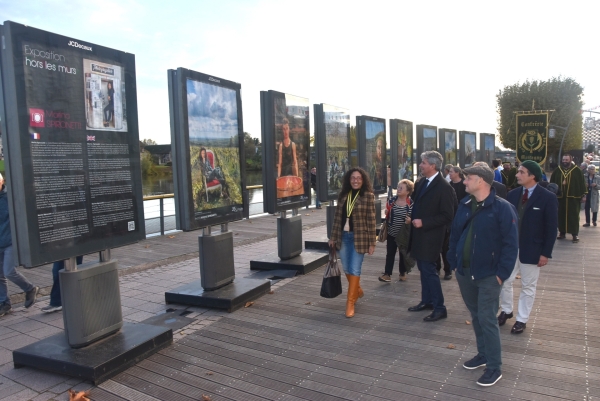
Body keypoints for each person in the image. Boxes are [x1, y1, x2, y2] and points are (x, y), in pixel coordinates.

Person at [447, 165, 518, 387]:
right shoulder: (465, 204)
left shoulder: (503, 208)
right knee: (476, 315)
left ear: (481, 181)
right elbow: (455, 234)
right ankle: (483, 354)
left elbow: (511, 245)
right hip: (465, 272)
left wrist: (501, 275)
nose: (464, 181)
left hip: (489, 275)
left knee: (487, 318)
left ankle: (494, 366)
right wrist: (454, 263)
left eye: (468, 178)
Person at [498, 161, 558, 334]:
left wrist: (545, 253)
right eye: (518, 172)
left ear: (532, 175)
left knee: (528, 286)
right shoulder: (513, 194)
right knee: (504, 280)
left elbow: (551, 228)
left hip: (532, 250)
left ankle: (522, 319)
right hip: (510, 248)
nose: (517, 175)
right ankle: (507, 311)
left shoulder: (547, 197)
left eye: (521, 172)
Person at [407, 151, 456, 322]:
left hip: (432, 236)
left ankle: (440, 307)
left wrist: (424, 222)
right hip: (419, 235)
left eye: (423, 163)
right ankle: (427, 301)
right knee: (423, 269)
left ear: (433, 166)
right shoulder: (421, 183)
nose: (420, 165)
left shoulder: (444, 188)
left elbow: (448, 215)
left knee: (429, 271)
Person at [329, 168, 376, 318]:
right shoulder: (343, 196)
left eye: (359, 178)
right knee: (346, 268)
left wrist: (372, 243)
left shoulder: (368, 196)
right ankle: (357, 289)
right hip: (343, 236)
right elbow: (337, 218)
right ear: (349, 180)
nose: (356, 180)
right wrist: (332, 237)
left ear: (363, 180)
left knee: (355, 269)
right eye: (353, 178)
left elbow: (371, 220)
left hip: (359, 237)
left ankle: (350, 303)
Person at [0, 173, 39, 317]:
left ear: (2, 181)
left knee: (9, 271)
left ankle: (29, 288)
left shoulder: (10, 198)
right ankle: (4, 303)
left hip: (10, 241)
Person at [379, 179, 414, 283]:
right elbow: (387, 214)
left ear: (408, 191)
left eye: (401, 188)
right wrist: (386, 212)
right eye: (398, 187)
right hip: (392, 232)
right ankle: (387, 274)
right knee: (390, 253)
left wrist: (410, 221)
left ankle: (402, 273)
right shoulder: (391, 201)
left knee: (403, 253)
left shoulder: (411, 204)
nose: (398, 189)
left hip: (404, 234)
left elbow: (414, 217)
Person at [550, 154, 587, 243]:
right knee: (560, 215)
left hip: (573, 197)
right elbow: (552, 183)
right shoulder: (557, 171)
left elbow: (582, 183)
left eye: (566, 160)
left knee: (573, 216)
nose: (565, 161)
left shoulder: (577, 171)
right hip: (560, 198)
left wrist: (584, 195)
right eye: (563, 160)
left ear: (571, 160)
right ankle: (562, 233)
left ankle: (574, 234)